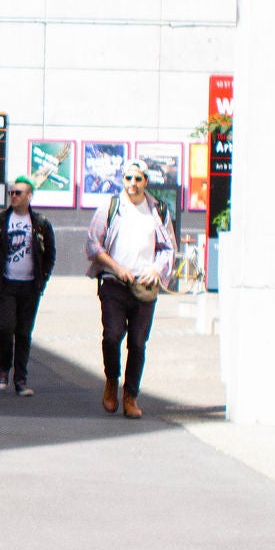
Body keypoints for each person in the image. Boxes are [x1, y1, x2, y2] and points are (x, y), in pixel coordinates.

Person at [85, 157, 176, 419]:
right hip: (115, 283)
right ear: (122, 180)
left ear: (146, 181)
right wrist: (115, 267)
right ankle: (112, 381)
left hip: (144, 286)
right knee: (112, 336)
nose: (133, 184)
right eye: (128, 178)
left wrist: (156, 269)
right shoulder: (111, 207)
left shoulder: (157, 210)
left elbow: (168, 247)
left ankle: (130, 396)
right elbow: (93, 244)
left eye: (138, 179)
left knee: (137, 342)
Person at [0, 177, 56, 396]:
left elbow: (50, 253)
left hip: (30, 286)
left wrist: (44, 277)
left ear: (29, 196)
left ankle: (20, 379)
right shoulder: (0, 221)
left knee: (23, 332)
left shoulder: (40, 222)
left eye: (18, 193)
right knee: (5, 326)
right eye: (11, 193)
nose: (13, 196)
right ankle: (4, 367)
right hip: (5, 283)